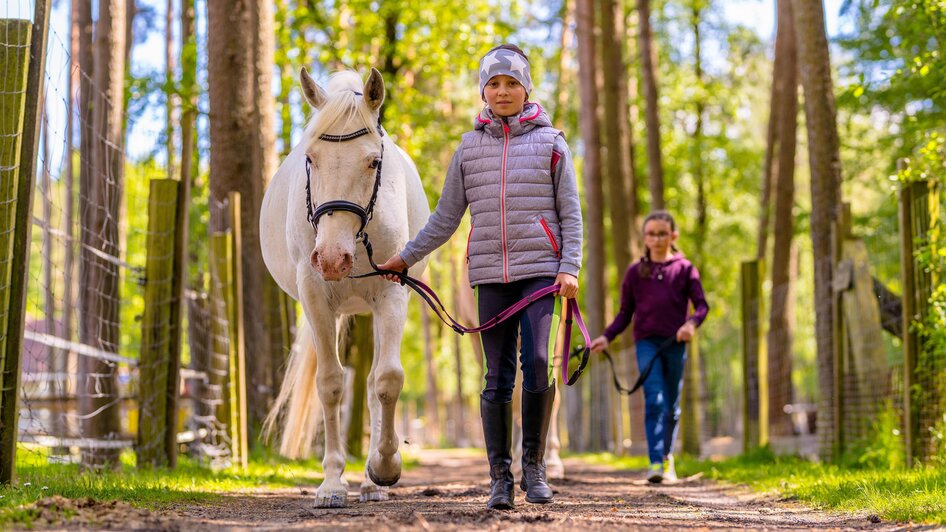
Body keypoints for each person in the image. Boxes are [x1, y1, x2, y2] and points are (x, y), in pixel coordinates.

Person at [378, 43, 582, 510]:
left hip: (540, 274)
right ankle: (499, 480)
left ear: (525, 88)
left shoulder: (552, 143)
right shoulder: (469, 149)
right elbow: (445, 218)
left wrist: (569, 266)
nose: (503, 91)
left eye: (512, 83)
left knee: (536, 362)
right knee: (496, 378)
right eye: (494, 83)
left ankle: (533, 467)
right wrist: (405, 258)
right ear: (483, 92)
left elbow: (571, 214)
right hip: (490, 274)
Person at [588, 210, 708, 484]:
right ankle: (655, 462)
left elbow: (702, 305)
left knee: (672, 407)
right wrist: (607, 336)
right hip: (646, 344)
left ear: (672, 236)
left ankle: (668, 458)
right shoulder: (634, 273)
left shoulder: (685, 269)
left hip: (675, 343)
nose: (656, 239)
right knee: (654, 399)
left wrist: (690, 325)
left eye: (662, 233)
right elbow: (624, 313)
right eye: (651, 234)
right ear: (644, 237)